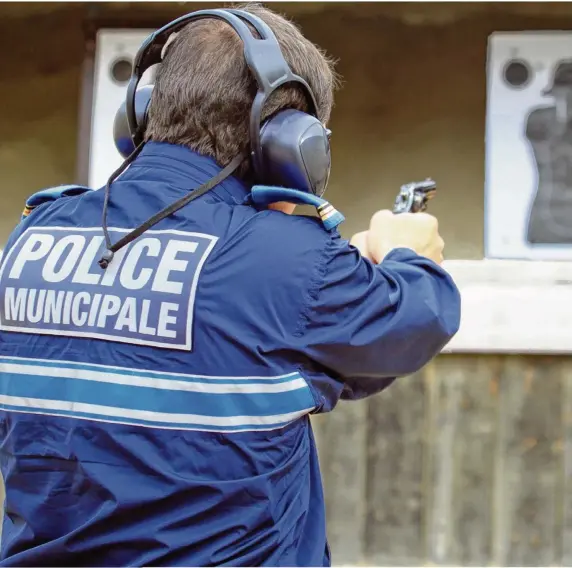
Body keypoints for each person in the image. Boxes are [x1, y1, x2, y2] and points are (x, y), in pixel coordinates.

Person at [0, 4, 460, 567]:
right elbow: (416, 317)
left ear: (142, 116)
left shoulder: (31, 237)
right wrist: (408, 252)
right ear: (291, 140)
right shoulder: (290, 260)